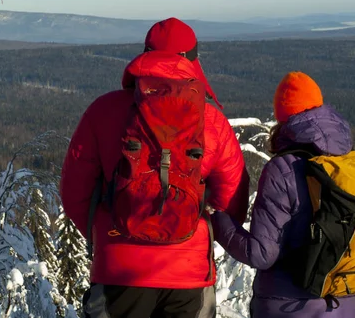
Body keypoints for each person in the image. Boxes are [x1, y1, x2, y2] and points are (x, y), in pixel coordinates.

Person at [60, 17, 250, 318]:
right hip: (188, 274)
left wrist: (106, 234)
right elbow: (232, 198)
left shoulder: (103, 111)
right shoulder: (211, 121)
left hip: (118, 271)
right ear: (192, 59)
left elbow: (74, 192)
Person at [211, 71, 355, 317]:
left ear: (282, 117)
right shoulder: (350, 161)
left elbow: (262, 254)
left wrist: (217, 221)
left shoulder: (283, 169)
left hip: (292, 306)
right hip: (349, 303)